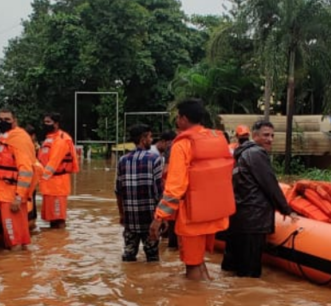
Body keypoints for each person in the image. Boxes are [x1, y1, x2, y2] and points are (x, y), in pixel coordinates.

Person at [150, 99, 235, 281]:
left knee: (192, 266)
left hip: (192, 217)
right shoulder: (217, 139)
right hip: (214, 215)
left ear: (184, 119)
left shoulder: (182, 145)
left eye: (178, 116)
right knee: (199, 261)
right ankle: (206, 297)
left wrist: (159, 217)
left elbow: (175, 187)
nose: (177, 120)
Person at [223, 121, 299, 278]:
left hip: (238, 219)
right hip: (253, 221)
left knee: (231, 269)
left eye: (272, 136)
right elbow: (270, 184)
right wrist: (287, 210)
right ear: (254, 136)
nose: (270, 139)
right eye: (266, 135)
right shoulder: (256, 153)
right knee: (249, 274)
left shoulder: (239, 154)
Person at [0, 110, 37, 250]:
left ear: (15, 120)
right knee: (16, 237)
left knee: (13, 239)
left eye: (7, 119)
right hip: (1, 192)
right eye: (0, 119)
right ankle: (21, 264)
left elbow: (26, 170)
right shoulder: (4, 139)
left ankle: (15, 268)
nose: (3, 122)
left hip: (11, 195)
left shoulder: (18, 141)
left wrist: (18, 196)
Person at [115, 124, 164, 262]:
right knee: (153, 260)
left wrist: (122, 214)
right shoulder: (154, 159)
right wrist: (162, 218)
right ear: (143, 139)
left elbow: (118, 191)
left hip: (130, 220)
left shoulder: (122, 160)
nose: (151, 140)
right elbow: (159, 191)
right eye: (150, 137)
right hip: (150, 220)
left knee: (128, 258)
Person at [38, 112, 79, 229]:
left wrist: (38, 178)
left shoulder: (62, 139)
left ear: (56, 124)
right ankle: (54, 244)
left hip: (58, 185)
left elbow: (53, 163)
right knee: (52, 219)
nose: (45, 124)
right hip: (49, 185)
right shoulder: (49, 139)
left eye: (48, 122)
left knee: (59, 219)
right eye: (44, 122)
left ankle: (60, 243)